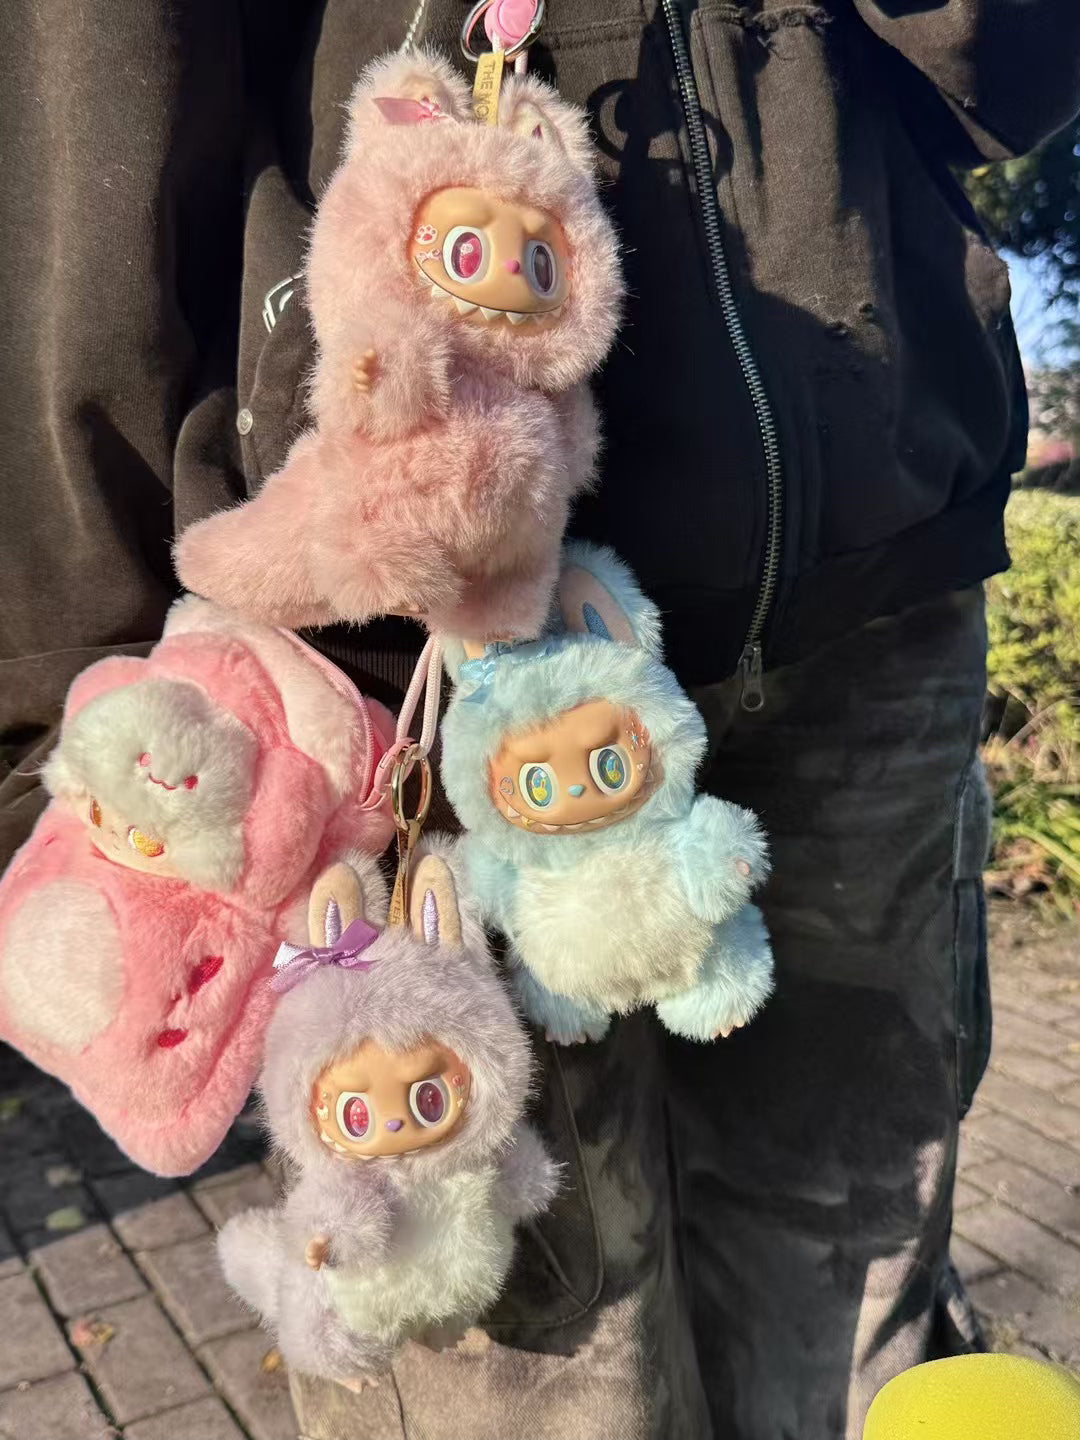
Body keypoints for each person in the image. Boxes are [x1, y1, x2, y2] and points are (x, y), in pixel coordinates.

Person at [1, 2, 1078, 1437]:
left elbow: (1008, 74)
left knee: (861, 1333)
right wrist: (78, 658)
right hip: (398, 673)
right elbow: (94, 92)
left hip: (867, 580)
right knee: (520, 1375)